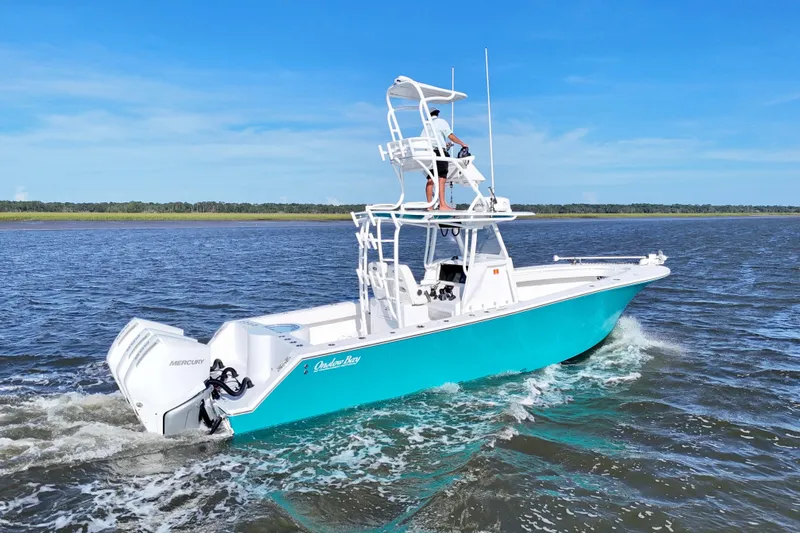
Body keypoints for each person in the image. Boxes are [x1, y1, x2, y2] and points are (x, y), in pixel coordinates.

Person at [421, 108, 468, 210]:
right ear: (437, 114)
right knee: (441, 178)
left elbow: (425, 141)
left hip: (429, 154)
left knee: (430, 179)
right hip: (439, 153)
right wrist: (462, 143)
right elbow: (450, 135)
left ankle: (430, 206)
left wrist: (444, 144)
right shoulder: (441, 122)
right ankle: (442, 205)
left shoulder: (426, 126)